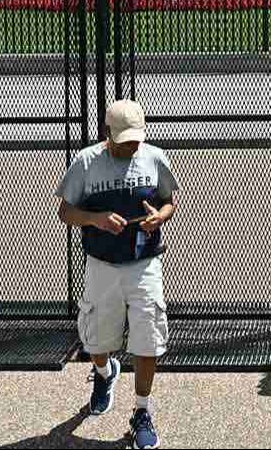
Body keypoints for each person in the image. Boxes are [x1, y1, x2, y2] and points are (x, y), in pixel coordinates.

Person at [56, 99, 178, 450]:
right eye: (123, 139)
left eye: (136, 139)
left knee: (148, 337)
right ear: (106, 132)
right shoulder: (86, 162)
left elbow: (171, 199)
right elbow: (65, 211)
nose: (131, 146)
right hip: (102, 266)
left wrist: (162, 215)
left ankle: (141, 411)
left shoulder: (155, 157)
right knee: (96, 342)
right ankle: (105, 372)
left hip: (144, 265)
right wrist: (95, 219)